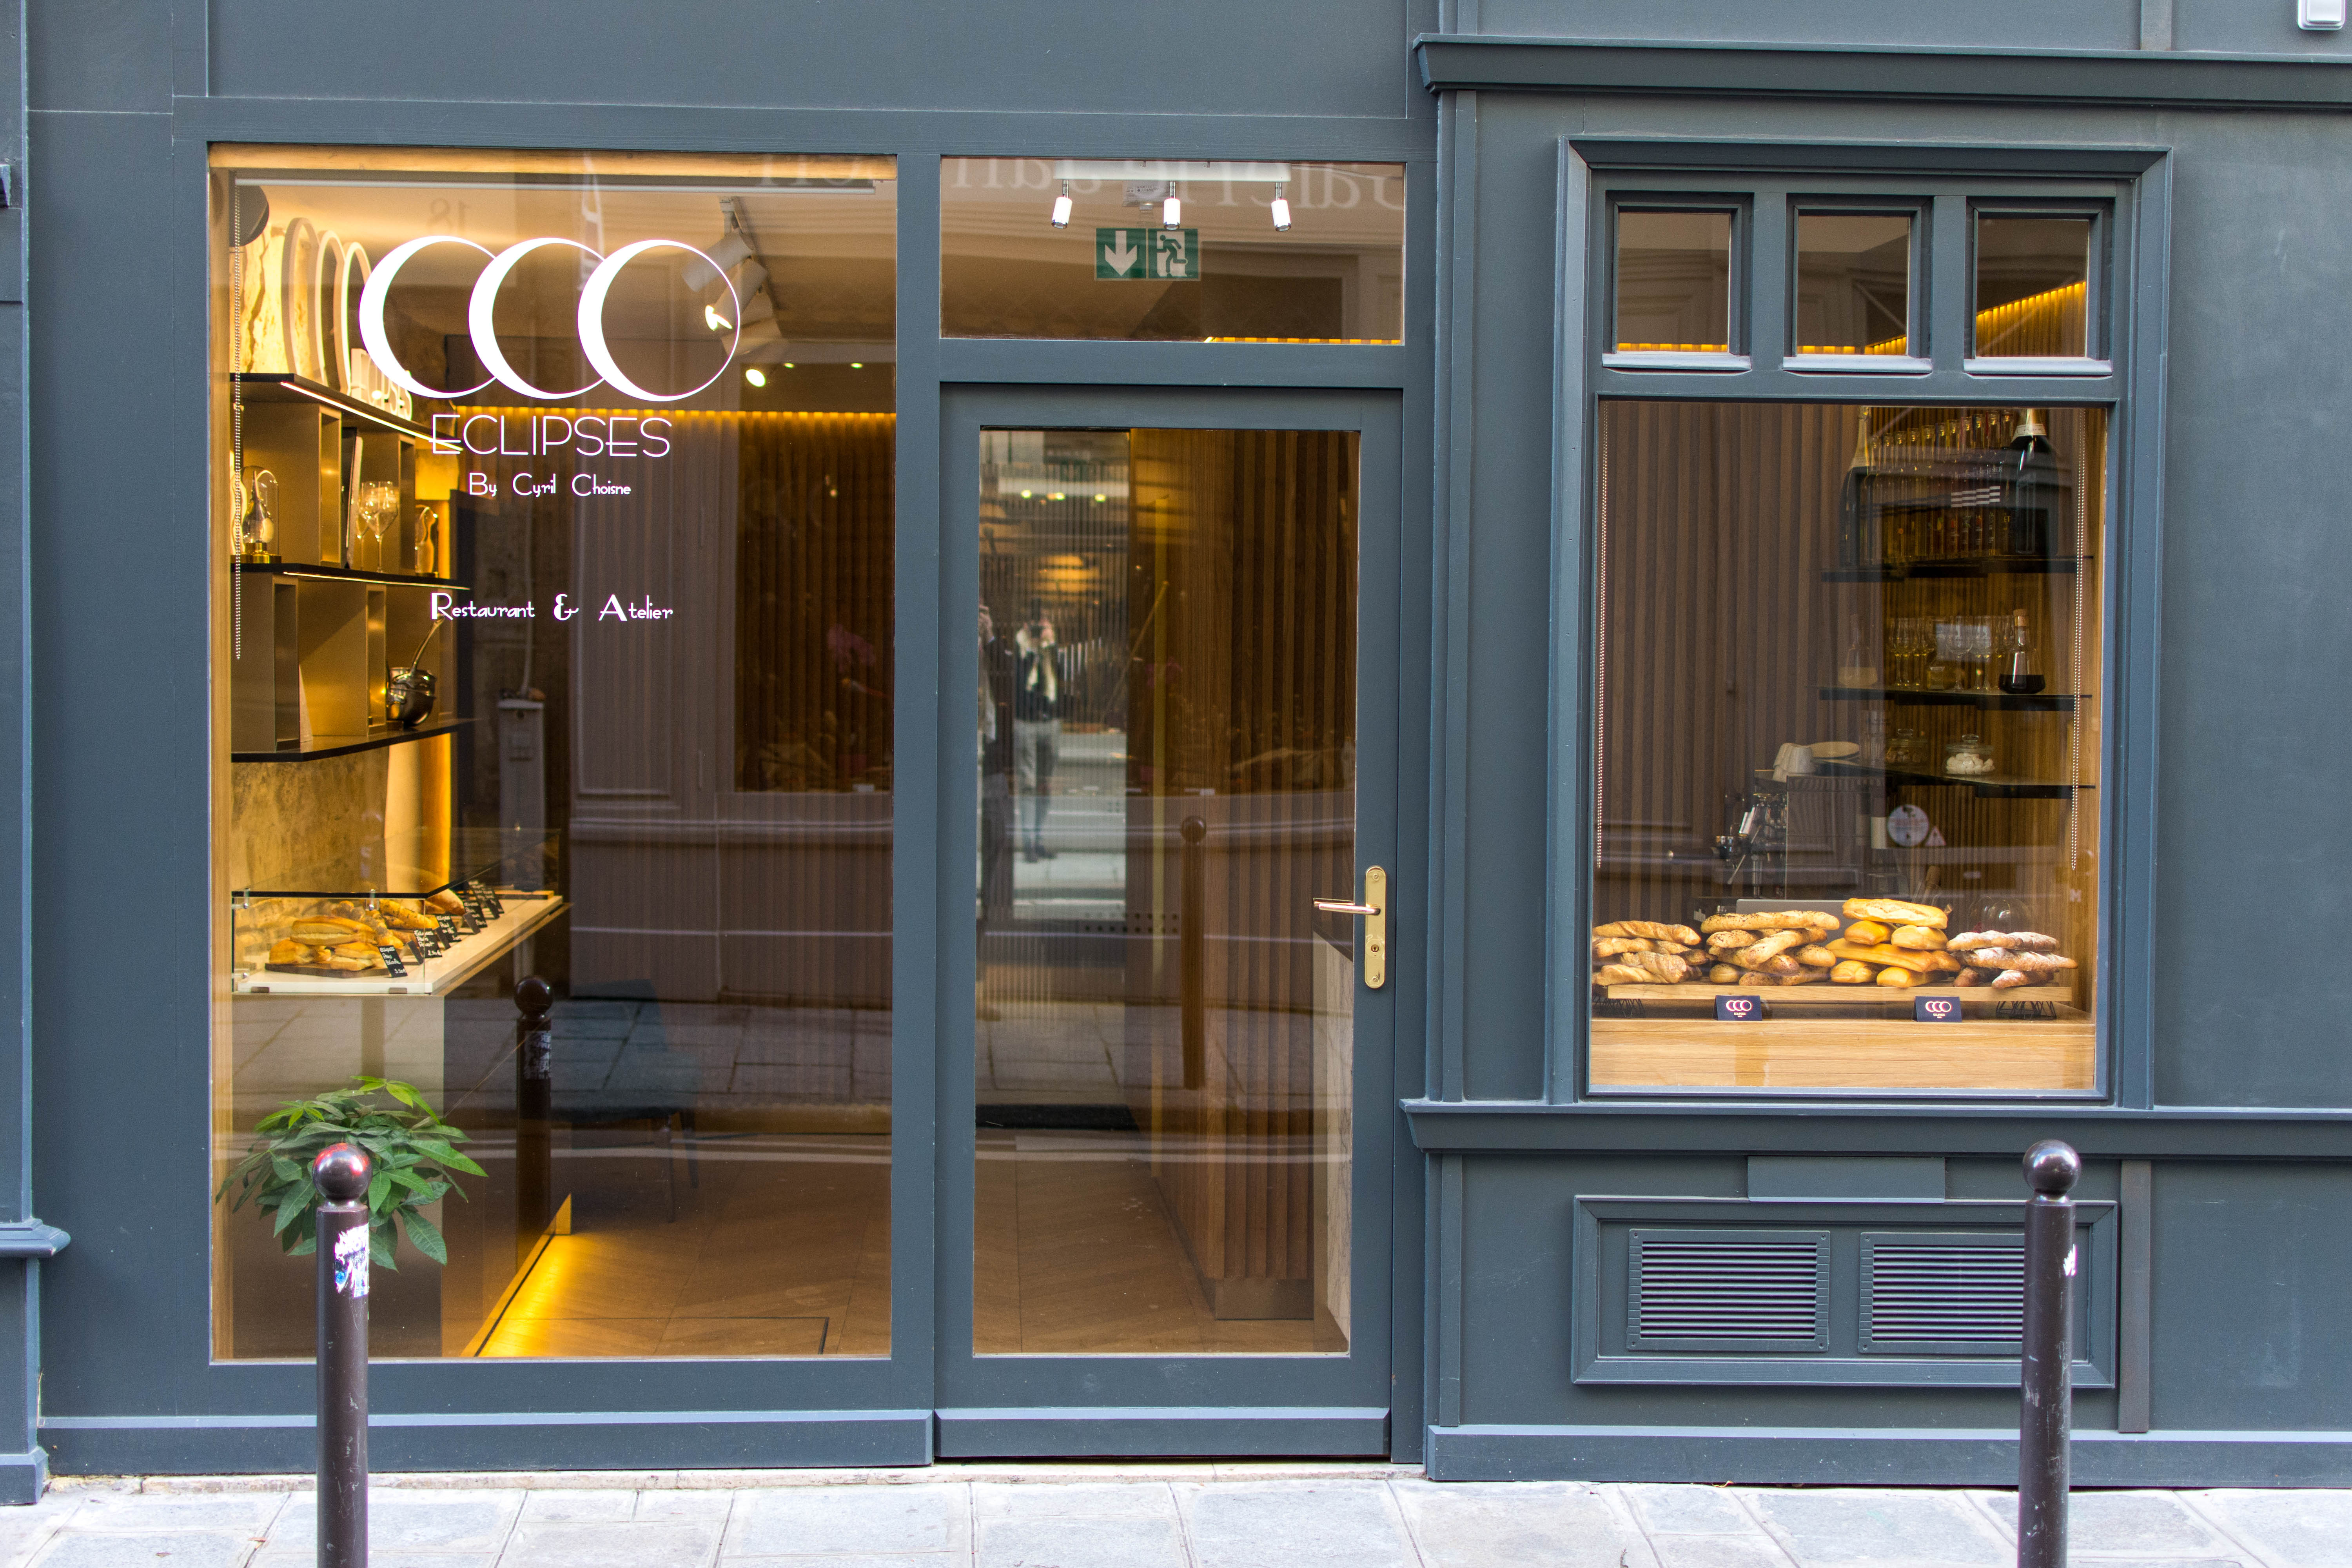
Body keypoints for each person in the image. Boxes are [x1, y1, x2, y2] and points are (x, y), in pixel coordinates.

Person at [1013, 602, 1067, 862]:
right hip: (1026, 723)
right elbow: (1019, 685)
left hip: (1050, 723)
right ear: (1026, 625)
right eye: (1035, 623)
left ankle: (1039, 838)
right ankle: (1028, 843)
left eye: (1043, 623)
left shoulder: (1052, 649)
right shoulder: (1018, 648)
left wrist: (1050, 646)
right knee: (1028, 785)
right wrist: (1033, 650)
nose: (1038, 629)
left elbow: (1063, 679)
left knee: (1045, 784)